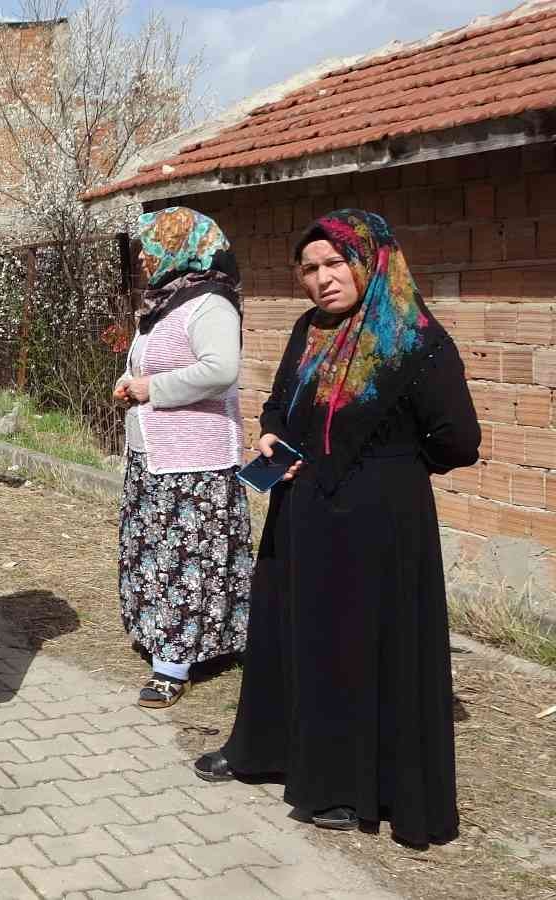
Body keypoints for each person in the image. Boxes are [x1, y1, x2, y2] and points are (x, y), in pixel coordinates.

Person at [194, 210, 479, 847]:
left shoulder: (416, 341)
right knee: (291, 635)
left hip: (378, 526)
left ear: (372, 261)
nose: (323, 279)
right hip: (304, 513)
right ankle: (263, 750)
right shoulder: (309, 331)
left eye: (336, 264)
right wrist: (272, 433)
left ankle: (346, 788)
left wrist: (391, 469)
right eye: (311, 268)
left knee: (356, 646)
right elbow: (281, 400)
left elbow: (459, 440)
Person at [112, 207, 253, 709]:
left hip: (194, 460)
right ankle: (172, 637)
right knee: (156, 554)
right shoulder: (167, 303)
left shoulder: (210, 303)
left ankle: (173, 664)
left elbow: (221, 370)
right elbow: (150, 366)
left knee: (184, 560)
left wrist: (151, 388)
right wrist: (131, 384)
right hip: (155, 455)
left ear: (182, 246)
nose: (145, 258)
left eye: (152, 247)